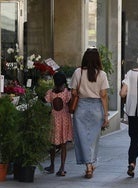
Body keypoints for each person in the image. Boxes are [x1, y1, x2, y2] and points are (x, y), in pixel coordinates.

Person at [70, 48, 109, 179]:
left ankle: (88, 166)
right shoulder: (102, 74)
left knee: (81, 138)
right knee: (93, 139)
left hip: (81, 107)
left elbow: (73, 92)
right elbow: (103, 95)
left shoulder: (78, 72)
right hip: (96, 108)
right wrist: (106, 115)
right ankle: (90, 164)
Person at [44, 72, 73, 176]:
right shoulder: (67, 92)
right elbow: (70, 105)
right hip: (64, 120)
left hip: (53, 120)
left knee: (52, 143)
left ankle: (52, 165)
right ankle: (62, 167)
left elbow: (46, 101)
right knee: (64, 144)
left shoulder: (50, 92)